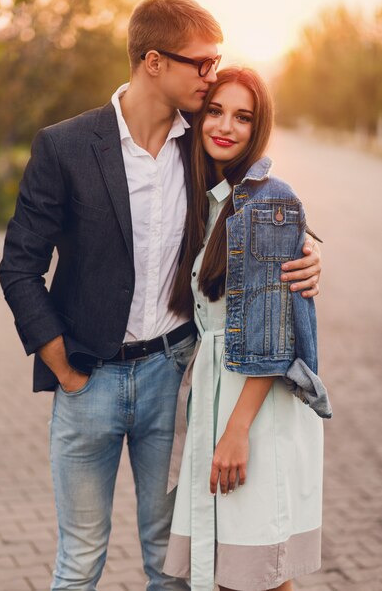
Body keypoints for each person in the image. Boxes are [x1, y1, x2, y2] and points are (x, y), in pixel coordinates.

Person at [0, 0, 322, 591]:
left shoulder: (200, 146)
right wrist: (60, 364)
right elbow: (18, 267)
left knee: (169, 563)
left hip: (173, 381)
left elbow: (260, 202)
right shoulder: (65, 146)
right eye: (201, 63)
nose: (212, 74)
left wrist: (307, 252)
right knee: (79, 561)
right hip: (86, 377)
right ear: (154, 61)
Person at [164, 67, 332, 591]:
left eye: (244, 117)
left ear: (259, 128)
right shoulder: (211, 196)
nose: (225, 127)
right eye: (215, 111)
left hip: (254, 402)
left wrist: (236, 433)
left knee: (260, 573)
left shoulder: (268, 201)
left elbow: (271, 341)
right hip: (221, 390)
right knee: (235, 571)